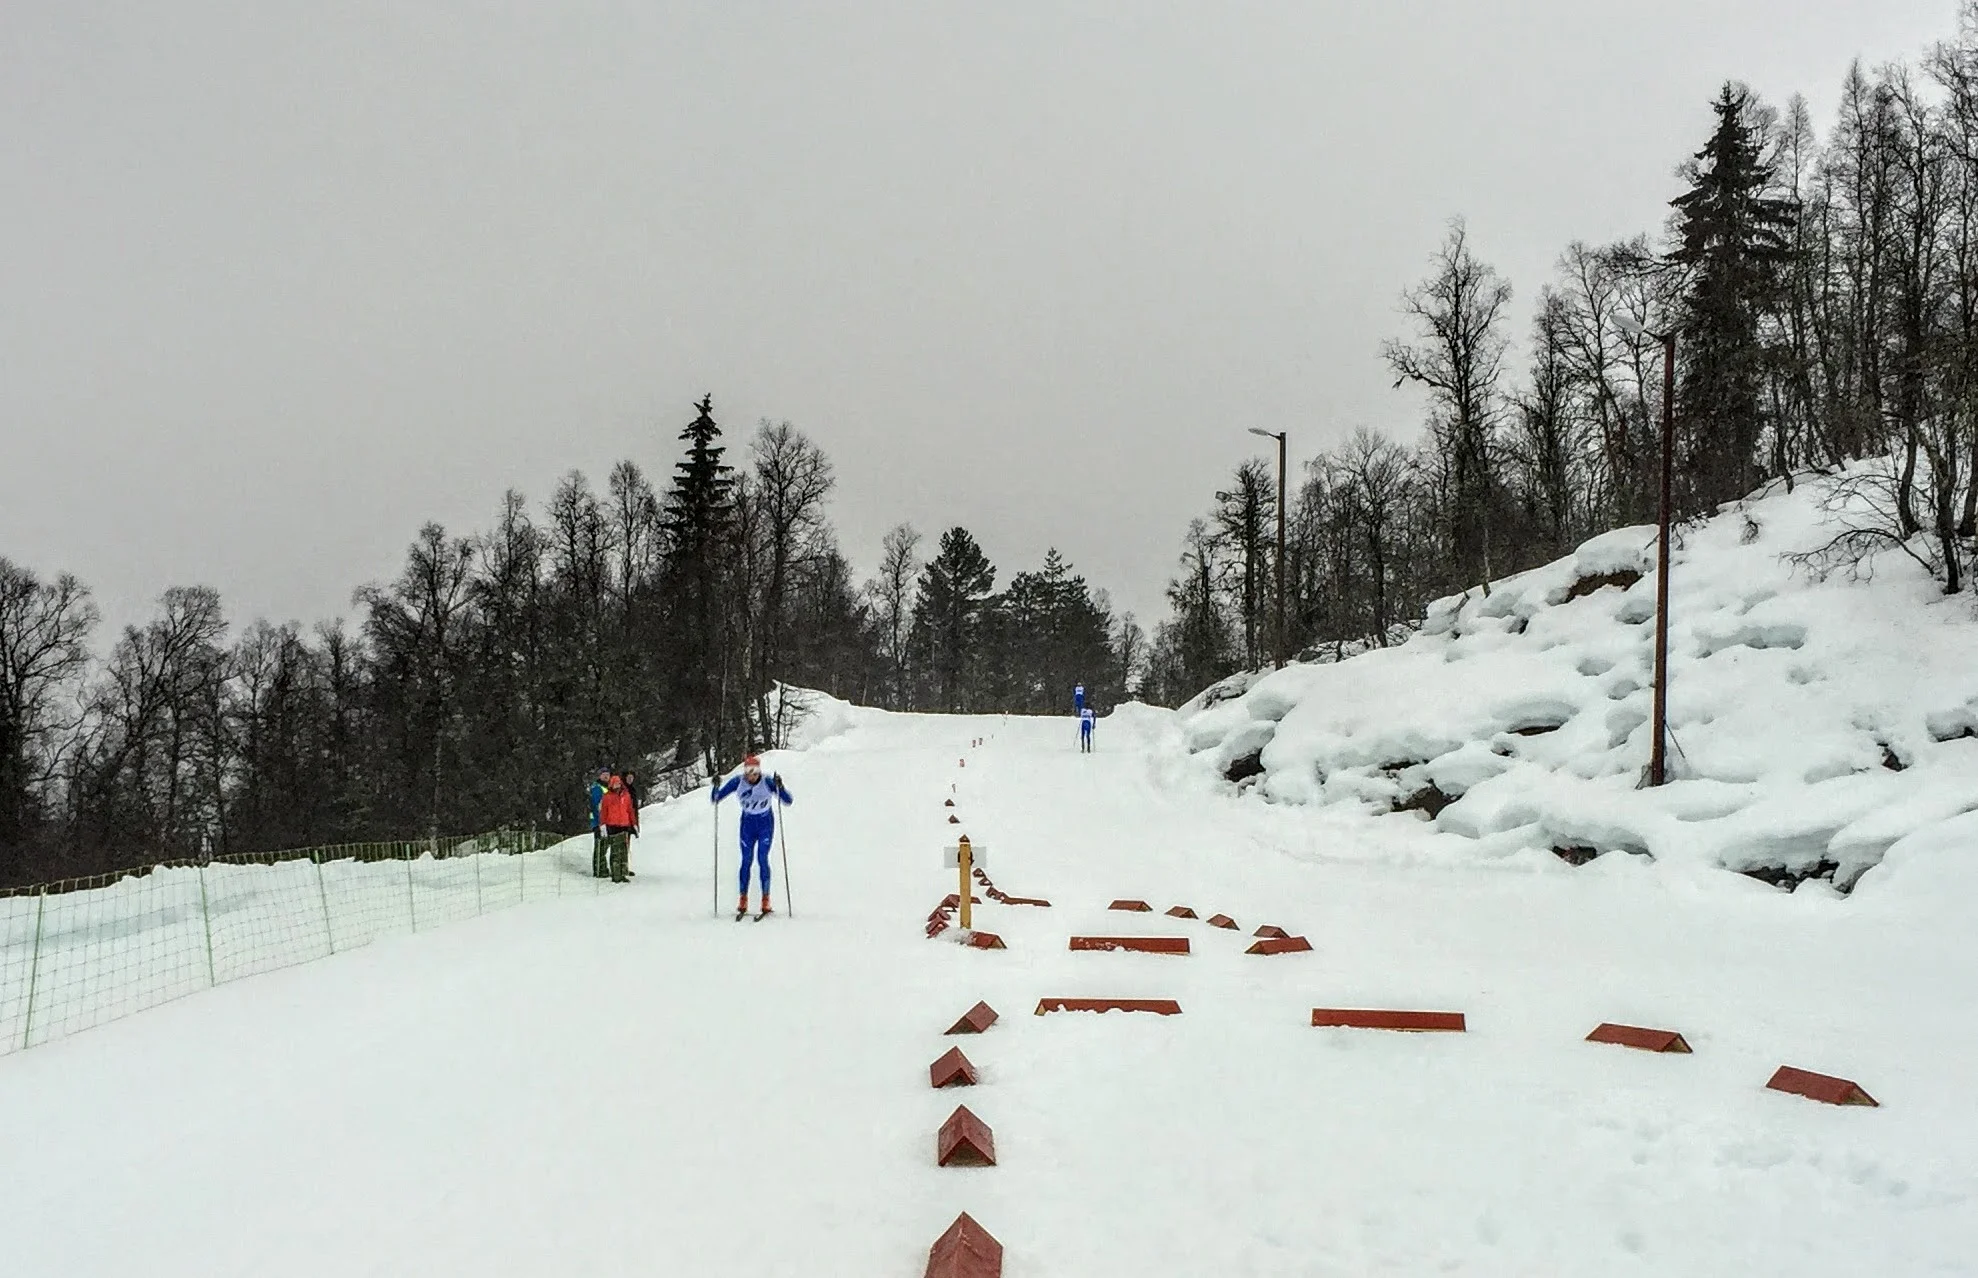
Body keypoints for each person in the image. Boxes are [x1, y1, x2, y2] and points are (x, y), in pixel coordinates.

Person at [711, 753, 793, 918]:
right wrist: (716, 786)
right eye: (749, 773)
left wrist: (780, 787)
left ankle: (765, 899)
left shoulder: (767, 781)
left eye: (755, 773)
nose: (752, 776)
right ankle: (743, 899)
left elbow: (788, 800)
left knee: (762, 858)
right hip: (747, 825)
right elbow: (716, 798)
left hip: (765, 824)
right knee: (746, 860)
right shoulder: (738, 782)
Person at [597, 772, 639, 884]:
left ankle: (622, 873)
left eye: (619, 783)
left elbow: (630, 810)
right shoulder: (607, 797)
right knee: (615, 852)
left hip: (624, 826)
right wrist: (603, 825)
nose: (617, 785)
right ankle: (616, 875)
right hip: (613, 826)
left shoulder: (626, 795)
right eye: (615, 784)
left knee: (623, 852)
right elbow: (603, 812)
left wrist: (634, 823)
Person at [586, 767, 610, 878]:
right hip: (599, 822)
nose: (606, 776)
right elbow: (597, 807)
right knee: (600, 846)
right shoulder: (597, 788)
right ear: (599, 776)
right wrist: (598, 823)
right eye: (604, 774)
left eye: (607, 774)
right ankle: (599, 870)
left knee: (603, 845)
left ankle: (602, 868)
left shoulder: (607, 787)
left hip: (605, 821)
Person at [620, 769, 643, 878]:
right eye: (628, 777)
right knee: (621, 845)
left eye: (632, 778)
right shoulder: (622, 789)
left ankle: (624, 867)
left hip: (630, 821)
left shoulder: (632, 789)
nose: (630, 779)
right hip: (622, 821)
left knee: (626, 845)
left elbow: (634, 809)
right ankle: (619, 868)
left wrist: (635, 823)